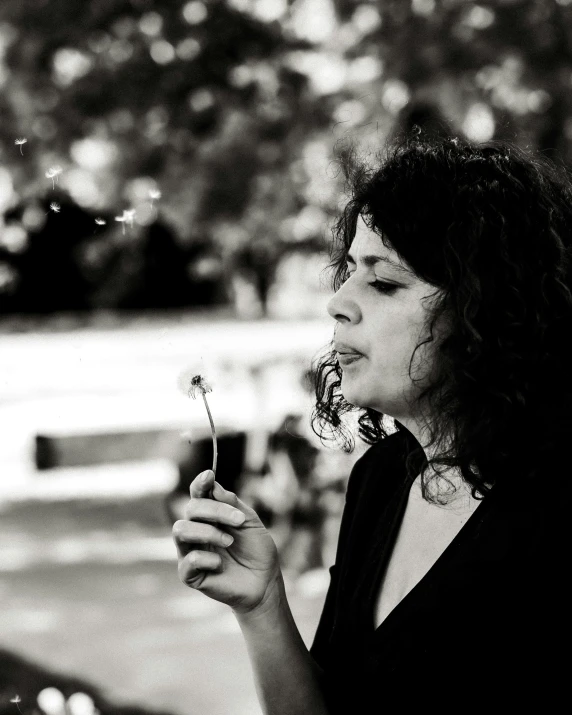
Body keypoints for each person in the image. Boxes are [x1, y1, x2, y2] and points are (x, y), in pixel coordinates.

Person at [171, 131, 572, 713]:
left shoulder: (557, 504)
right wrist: (261, 607)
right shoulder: (384, 478)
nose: (339, 301)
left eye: (384, 282)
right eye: (350, 269)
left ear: (487, 310)